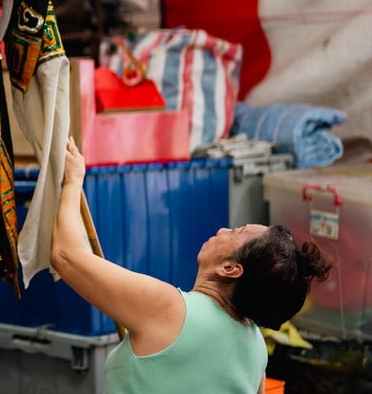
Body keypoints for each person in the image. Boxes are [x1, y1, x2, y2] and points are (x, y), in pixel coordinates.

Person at [51, 137, 333, 394]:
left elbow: (66, 256)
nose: (223, 229)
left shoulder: (172, 310)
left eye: (236, 232)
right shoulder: (256, 348)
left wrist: (73, 181)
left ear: (230, 269)